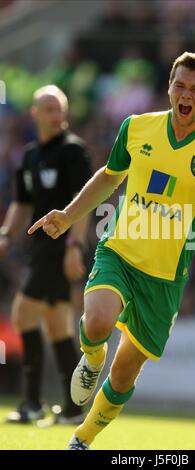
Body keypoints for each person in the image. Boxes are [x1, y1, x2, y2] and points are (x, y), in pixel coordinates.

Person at [28, 52, 195, 449]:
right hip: (119, 252)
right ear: (169, 87)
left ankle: (81, 439)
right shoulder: (137, 128)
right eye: (179, 86)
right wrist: (68, 213)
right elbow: (109, 177)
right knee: (97, 322)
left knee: (126, 373)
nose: (186, 95)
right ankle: (91, 357)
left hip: (164, 278)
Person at [0, 85, 92, 424]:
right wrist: (7, 235)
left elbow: (85, 204)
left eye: (60, 109)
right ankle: (72, 409)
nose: (56, 115)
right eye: (49, 108)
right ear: (35, 113)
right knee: (57, 327)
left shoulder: (73, 152)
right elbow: (22, 204)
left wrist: (73, 247)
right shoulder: (29, 155)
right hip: (39, 249)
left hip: (59, 248)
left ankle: (32, 404)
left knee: (22, 314)